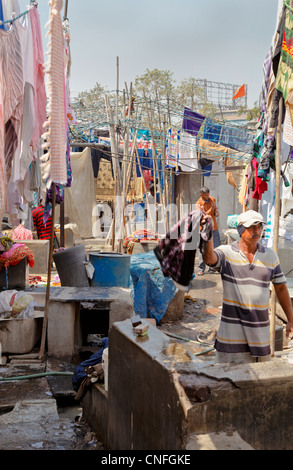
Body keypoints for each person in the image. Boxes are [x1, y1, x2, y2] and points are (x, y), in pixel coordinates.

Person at [201, 209, 293, 364]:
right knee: (227, 382)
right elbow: (209, 257)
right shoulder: (227, 253)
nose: (257, 231)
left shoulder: (270, 256)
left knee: (257, 384)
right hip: (231, 337)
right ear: (241, 230)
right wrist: (207, 232)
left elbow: (281, 288)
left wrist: (290, 319)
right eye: (252, 227)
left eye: (259, 227)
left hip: (260, 338)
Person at [195, 186, 220, 275]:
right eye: (206, 195)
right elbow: (203, 215)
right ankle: (201, 269)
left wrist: (216, 212)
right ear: (201, 195)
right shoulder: (198, 204)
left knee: (216, 247)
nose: (208, 197)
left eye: (209, 195)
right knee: (203, 249)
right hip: (204, 229)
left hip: (214, 227)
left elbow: (216, 212)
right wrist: (210, 209)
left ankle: (213, 267)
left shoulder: (212, 199)